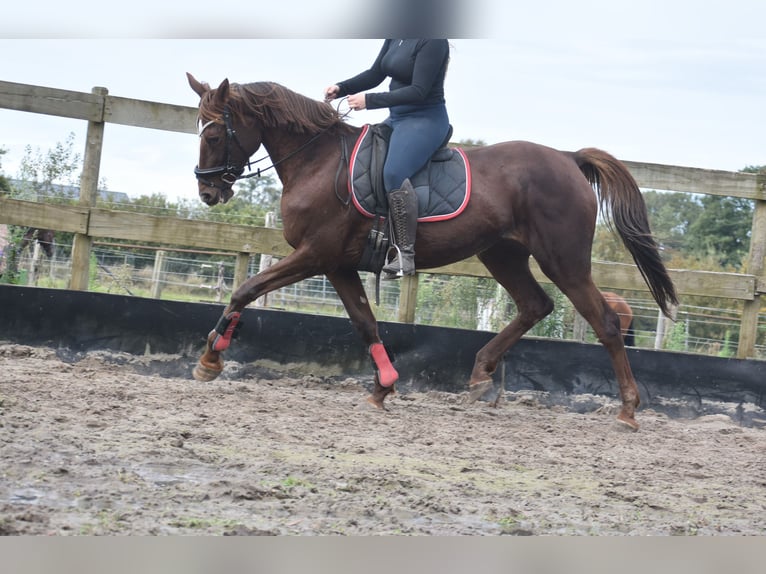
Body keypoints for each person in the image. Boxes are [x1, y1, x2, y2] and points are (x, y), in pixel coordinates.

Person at [324, 39, 451, 278]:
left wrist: (369, 101)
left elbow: (418, 91)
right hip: (397, 119)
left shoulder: (434, 41)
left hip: (425, 120)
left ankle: (405, 255)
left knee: (393, 173)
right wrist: (342, 87)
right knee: (362, 158)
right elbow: (375, 73)